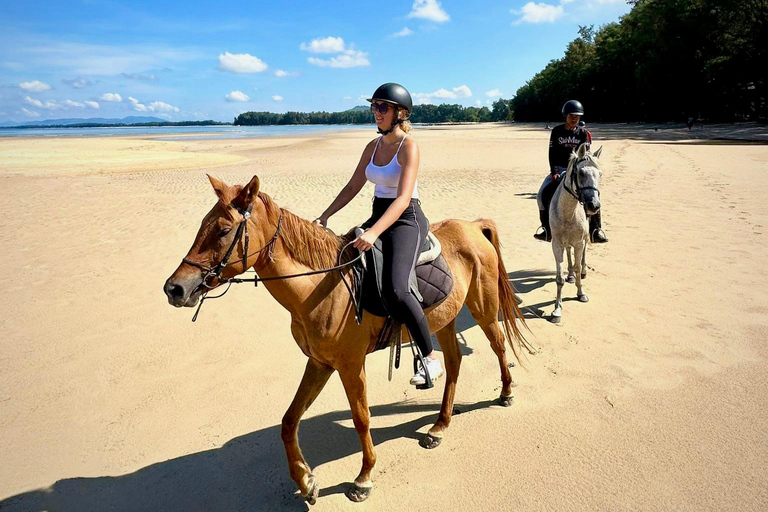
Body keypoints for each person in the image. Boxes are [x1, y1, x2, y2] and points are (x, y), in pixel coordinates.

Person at [315, 83, 443, 387]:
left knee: (398, 287)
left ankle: (429, 358)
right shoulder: (372, 147)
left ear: (400, 113)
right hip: (379, 213)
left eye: (382, 107)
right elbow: (352, 186)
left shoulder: (409, 145)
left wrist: (373, 232)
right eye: (374, 107)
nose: (376, 112)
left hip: (407, 218)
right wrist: (326, 214)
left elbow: (402, 199)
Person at [534, 100, 608, 243]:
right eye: (571, 116)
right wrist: (554, 171)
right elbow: (552, 154)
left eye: (577, 116)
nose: (574, 118)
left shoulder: (583, 134)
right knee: (541, 195)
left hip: (578, 171)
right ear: (565, 116)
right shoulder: (556, 132)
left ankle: (595, 230)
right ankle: (546, 229)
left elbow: (585, 155)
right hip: (560, 169)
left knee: (592, 197)